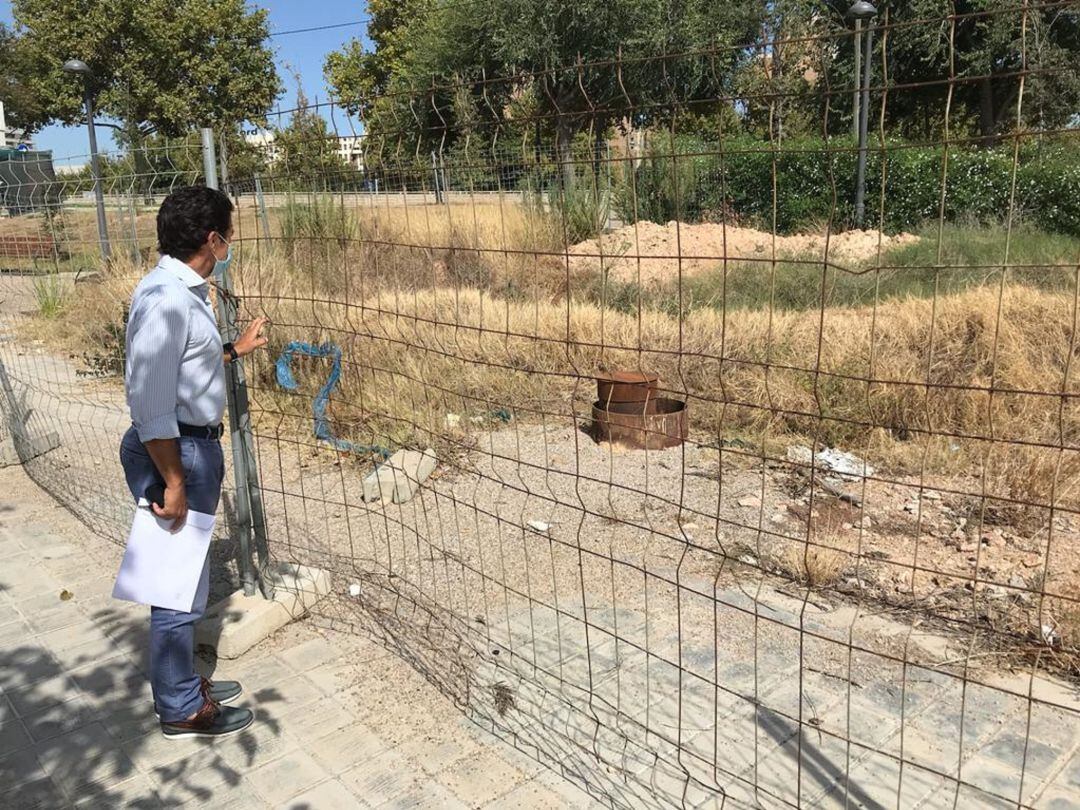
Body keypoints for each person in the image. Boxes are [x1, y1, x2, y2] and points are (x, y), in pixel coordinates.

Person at [120, 185, 268, 739]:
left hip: (182, 442)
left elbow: (184, 366)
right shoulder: (167, 299)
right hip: (175, 449)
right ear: (212, 239)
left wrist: (232, 350)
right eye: (227, 232)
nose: (230, 240)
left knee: (181, 579)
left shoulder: (182, 291)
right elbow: (152, 405)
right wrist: (175, 480)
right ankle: (181, 707)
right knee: (176, 585)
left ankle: (180, 682)